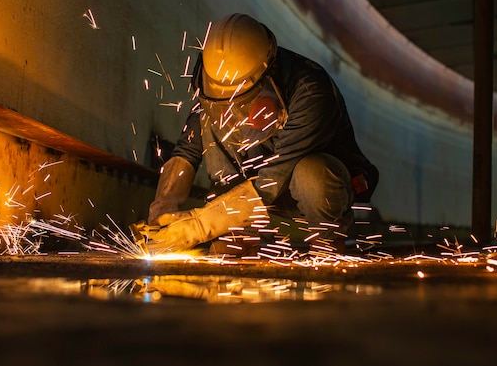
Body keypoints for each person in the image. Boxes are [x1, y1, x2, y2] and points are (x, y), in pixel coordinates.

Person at [134, 13, 378, 255]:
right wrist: (161, 213)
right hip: (251, 192)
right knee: (210, 121)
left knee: (312, 174)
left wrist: (197, 226)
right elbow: (185, 152)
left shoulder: (311, 90)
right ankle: (239, 235)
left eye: (240, 98)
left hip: (305, 187)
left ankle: (327, 239)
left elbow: (271, 181)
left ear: (267, 74)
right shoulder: (213, 87)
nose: (230, 107)